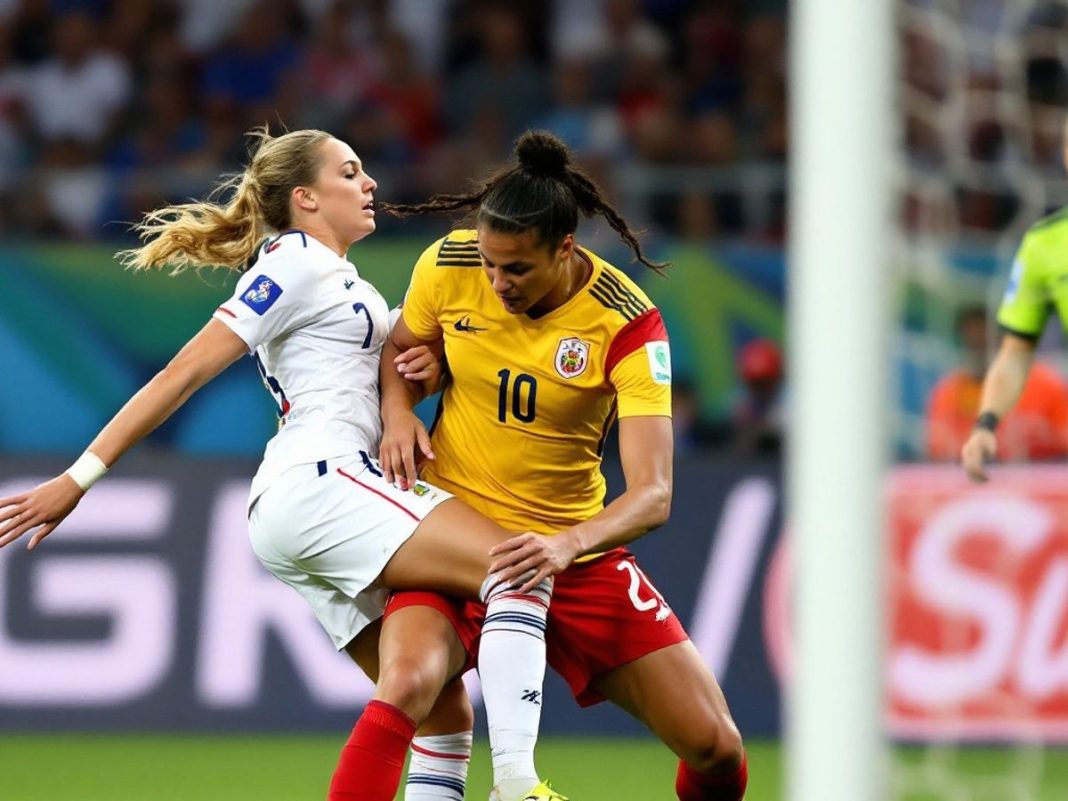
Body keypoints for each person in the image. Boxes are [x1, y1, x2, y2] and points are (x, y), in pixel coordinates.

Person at [0, 127, 568, 801]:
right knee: (519, 562)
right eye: (350, 173)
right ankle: (516, 785)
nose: (370, 184)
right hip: (324, 482)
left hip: (303, 502)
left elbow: (379, 357)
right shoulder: (293, 263)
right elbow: (183, 372)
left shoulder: (333, 277)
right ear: (305, 198)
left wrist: (415, 374)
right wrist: (79, 477)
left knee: (434, 700)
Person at [379, 130, 747, 801]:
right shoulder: (449, 265)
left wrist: (566, 544)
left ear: (566, 249)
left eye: (515, 269)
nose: (496, 282)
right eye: (490, 264)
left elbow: (654, 493)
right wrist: (401, 410)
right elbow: (402, 352)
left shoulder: (627, 325)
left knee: (717, 747)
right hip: (453, 528)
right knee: (406, 685)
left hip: (569, 546)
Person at [930, 305, 1068, 462]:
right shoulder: (949, 390)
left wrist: (1043, 436)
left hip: (1040, 472)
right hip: (975, 476)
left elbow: (1063, 438)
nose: (977, 343)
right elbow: (939, 448)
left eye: (983, 338)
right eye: (971, 340)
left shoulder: (1045, 383)